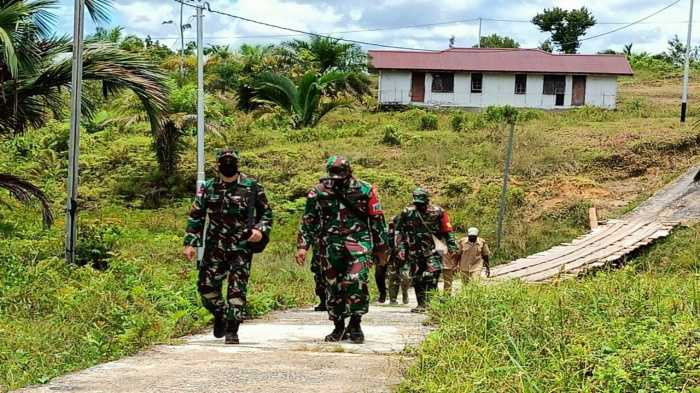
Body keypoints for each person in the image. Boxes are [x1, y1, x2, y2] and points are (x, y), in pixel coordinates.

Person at [183, 149, 272, 345]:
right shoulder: (209, 187)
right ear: (218, 164)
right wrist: (190, 243)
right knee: (205, 287)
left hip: (241, 246)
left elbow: (266, 214)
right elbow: (196, 215)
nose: (228, 164)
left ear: (237, 164)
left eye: (231, 161)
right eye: (224, 161)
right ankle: (221, 314)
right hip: (215, 247)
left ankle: (233, 329)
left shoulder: (252, 187)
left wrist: (260, 230)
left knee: (236, 289)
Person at [296, 156, 388, 344]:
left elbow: (377, 220)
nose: (337, 179)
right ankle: (338, 326)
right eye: (334, 175)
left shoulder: (365, 189)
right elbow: (308, 220)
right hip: (329, 246)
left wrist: (381, 248)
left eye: (341, 175)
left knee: (356, 281)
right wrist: (302, 246)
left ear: (349, 172)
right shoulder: (318, 191)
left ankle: (355, 324)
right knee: (333, 286)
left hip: (358, 244)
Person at [396, 187, 457, 313]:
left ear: (427, 200)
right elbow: (399, 232)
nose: (419, 205)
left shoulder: (438, 212)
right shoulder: (407, 213)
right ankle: (421, 304)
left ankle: (430, 303)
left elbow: (447, 230)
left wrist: (451, 245)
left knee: (432, 275)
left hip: (433, 249)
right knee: (417, 278)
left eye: (421, 203)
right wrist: (400, 248)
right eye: (417, 203)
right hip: (414, 250)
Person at [386, 216, 411, 305]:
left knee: (406, 277)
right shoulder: (389, 232)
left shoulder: (407, 232)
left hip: (405, 258)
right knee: (393, 278)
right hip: (393, 258)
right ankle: (393, 299)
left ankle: (405, 293)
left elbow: (411, 244)